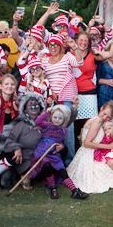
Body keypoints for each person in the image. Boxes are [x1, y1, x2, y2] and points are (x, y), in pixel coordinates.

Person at [0, 93, 46, 194]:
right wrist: (17, 148)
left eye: (36, 104)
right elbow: (9, 141)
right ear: (25, 109)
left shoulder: (45, 124)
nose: (34, 107)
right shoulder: (20, 124)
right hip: (21, 158)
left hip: (36, 158)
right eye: (30, 105)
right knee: (11, 155)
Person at [67, 101, 113, 194]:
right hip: (89, 153)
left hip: (94, 152)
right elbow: (86, 143)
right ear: (101, 108)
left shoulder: (99, 120)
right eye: (104, 114)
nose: (105, 117)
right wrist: (109, 146)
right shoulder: (97, 121)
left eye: (108, 117)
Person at [27, 105, 88, 200]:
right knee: (47, 166)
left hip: (53, 154)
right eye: (55, 117)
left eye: (60, 118)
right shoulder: (48, 125)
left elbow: (60, 141)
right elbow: (37, 122)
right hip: (42, 153)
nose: (57, 120)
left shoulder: (64, 130)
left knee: (62, 170)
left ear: (64, 120)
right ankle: (53, 188)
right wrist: (47, 112)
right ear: (51, 117)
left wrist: (61, 146)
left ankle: (74, 191)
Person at [41, 33, 84, 165]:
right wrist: (50, 92)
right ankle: (54, 159)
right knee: (52, 129)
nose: (53, 47)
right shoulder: (44, 60)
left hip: (67, 98)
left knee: (68, 129)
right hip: (52, 99)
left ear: (60, 46)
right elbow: (42, 77)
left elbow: (79, 62)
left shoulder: (67, 57)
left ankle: (70, 160)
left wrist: (75, 47)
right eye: (50, 44)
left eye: (55, 44)